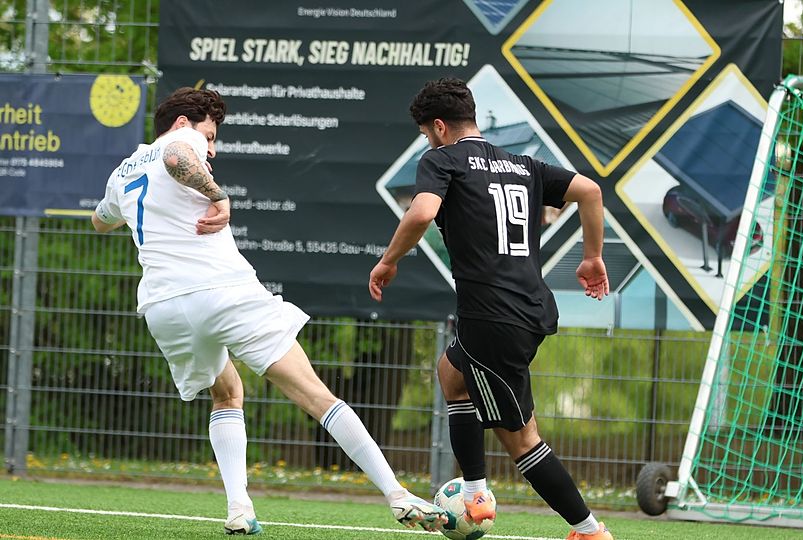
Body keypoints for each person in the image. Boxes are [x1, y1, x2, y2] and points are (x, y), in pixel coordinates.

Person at [91, 87, 447, 536]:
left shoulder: (123, 171)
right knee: (317, 396)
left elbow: (100, 221)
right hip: (221, 290)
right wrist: (219, 196)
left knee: (227, 393)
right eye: (210, 136)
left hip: (164, 306)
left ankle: (239, 508)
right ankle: (397, 495)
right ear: (182, 122)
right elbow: (177, 157)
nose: (211, 148)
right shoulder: (181, 141)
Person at [369, 78, 614, 540]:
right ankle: (476, 491)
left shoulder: (442, 159)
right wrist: (592, 256)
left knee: (522, 441)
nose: (428, 142)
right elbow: (591, 192)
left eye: (425, 134)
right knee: (451, 372)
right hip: (529, 307)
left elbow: (421, 213)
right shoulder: (523, 164)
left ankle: (589, 530)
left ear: (439, 127)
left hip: (492, 317)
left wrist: (388, 262)